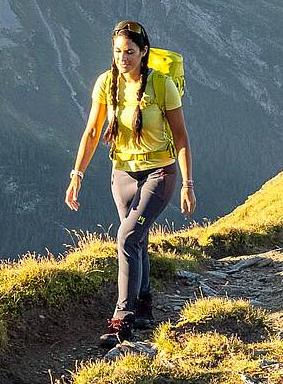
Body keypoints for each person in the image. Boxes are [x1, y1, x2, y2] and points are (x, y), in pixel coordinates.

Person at [64, 19, 195, 345]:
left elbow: (180, 137)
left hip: (159, 173)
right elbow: (93, 132)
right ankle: (145, 303)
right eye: (118, 51)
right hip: (121, 173)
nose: (123, 58)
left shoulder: (163, 85)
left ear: (143, 51)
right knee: (136, 240)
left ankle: (122, 318)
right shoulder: (106, 84)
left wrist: (187, 184)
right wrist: (76, 175)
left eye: (130, 51)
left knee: (126, 237)